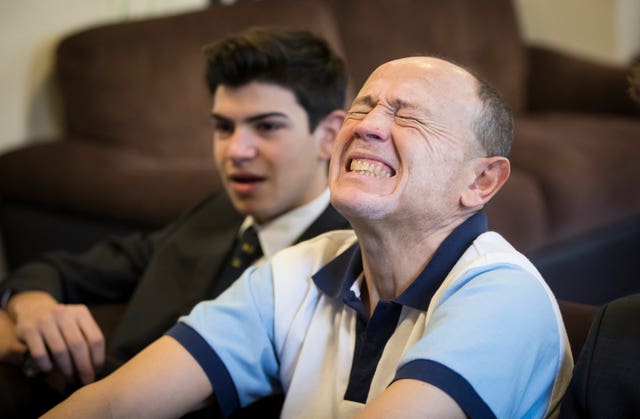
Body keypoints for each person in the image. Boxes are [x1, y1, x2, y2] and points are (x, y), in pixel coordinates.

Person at [42, 56, 573, 419]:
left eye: (408, 115)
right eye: (364, 106)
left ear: (480, 182)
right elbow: (114, 404)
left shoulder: (503, 298)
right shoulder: (295, 271)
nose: (366, 125)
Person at [0, 26, 349, 417]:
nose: (236, 151)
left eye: (267, 126)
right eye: (223, 127)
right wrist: (29, 303)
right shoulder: (216, 213)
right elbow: (66, 269)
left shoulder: (347, 260)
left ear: (330, 135)